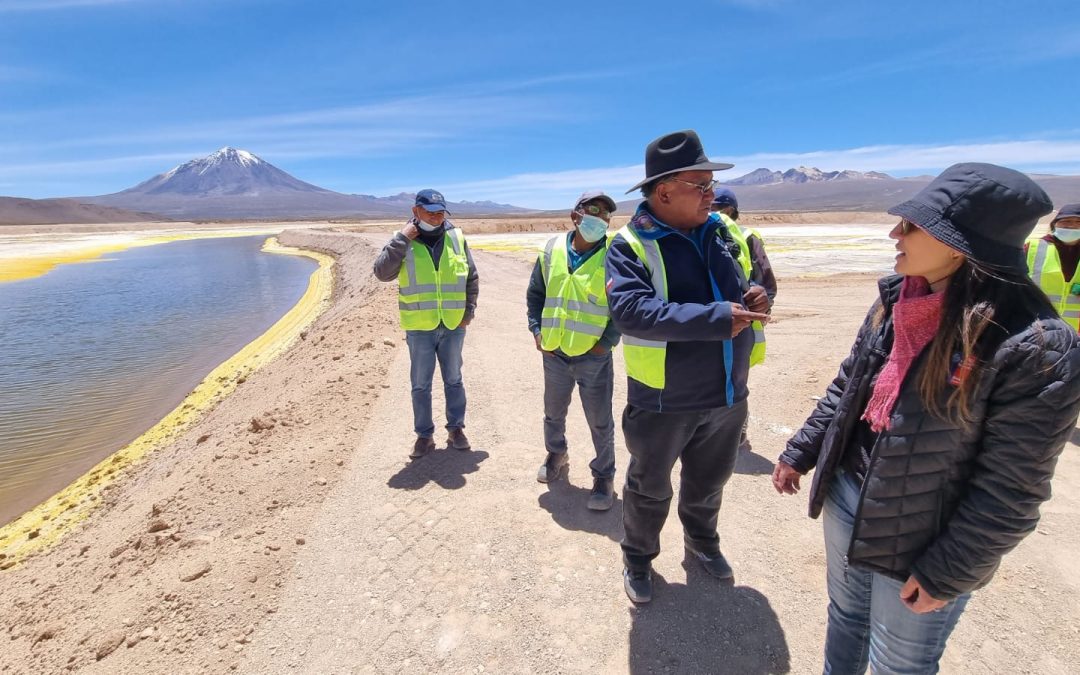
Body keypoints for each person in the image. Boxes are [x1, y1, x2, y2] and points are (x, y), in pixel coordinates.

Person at [772, 163, 1080, 674]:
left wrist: (949, 571)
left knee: (900, 662)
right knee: (846, 619)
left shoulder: (1034, 345)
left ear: (959, 243)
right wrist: (803, 449)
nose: (895, 233)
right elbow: (850, 386)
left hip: (925, 530)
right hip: (851, 494)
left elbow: (1013, 487)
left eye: (912, 225)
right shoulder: (898, 298)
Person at [605, 130, 770, 604]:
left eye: (711, 185)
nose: (711, 194)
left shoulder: (721, 232)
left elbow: (749, 285)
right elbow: (633, 312)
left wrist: (756, 295)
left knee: (708, 483)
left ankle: (702, 543)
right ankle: (638, 559)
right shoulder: (631, 245)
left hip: (727, 394)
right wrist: (718, 317)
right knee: (650, 489)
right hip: (663, 400)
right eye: (701, 185)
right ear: (664, 192)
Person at [526, 191, 621, 511]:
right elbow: (535, 295)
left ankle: (603, 476)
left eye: (606, 214)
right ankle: (556, 455)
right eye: (593, 211)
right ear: (575, 215)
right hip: (553, 352)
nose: (600, 218)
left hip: (592, 356)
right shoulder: (551, 249)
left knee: (599, 420)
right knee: (553, 412)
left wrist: (605, 343)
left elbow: (623, 307)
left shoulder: (614, 256)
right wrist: (537, 332)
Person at [373, 189, 479, 459]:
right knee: (420, 384)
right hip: (419, 326)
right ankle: (424, 436)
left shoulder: (456, 238)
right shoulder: (403, 240)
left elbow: (471, 277)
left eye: (440, 211)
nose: (435, 216)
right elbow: (382, 273)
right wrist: (402, 239)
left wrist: (468, 312)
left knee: (454, 379)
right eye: (430, 211)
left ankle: (456, 429)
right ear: (415, 211)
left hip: (454, 324)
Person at [711, 187, 777, 452]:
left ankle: (738, 431)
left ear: (731, 212)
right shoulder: (698, 236)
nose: (715, 215)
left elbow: (767, 285)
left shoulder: (747, 238)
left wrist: (759, 300)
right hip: (712, 322)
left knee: (737, 379)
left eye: (720, 209)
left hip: (743, 325)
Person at [1026, 202, 1080, 331]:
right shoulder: (1032, 247)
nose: (1072, 226)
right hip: (1035, 327)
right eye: (1066, 222)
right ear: (1054, 224)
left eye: (1078, 222)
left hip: (1074, 333)